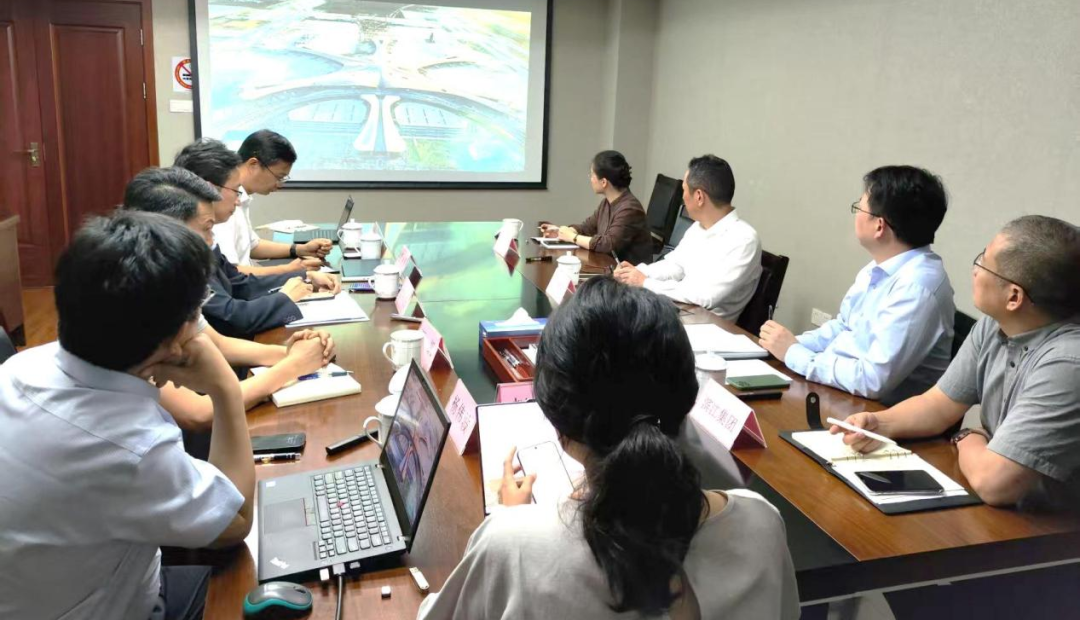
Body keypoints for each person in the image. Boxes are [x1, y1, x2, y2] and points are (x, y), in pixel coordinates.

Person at [417, 278, 798, 619]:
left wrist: (512, 523)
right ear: (685, 397)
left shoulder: (511, 546)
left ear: (556, 416)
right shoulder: (762, 523)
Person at [0, 211, 254, 619]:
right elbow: (235, 521)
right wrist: (225, 388)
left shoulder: (21, 366)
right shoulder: (132, 448)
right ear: (178, 335)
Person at [835, 216, 1080, 617]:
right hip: (998, 521)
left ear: (1014, 296)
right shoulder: (995, 326)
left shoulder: (1068, 362)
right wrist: (880, 424)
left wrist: (969, 437)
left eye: (984, 261)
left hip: (1049, 550)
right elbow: (938, 405)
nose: (974, 267)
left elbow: (995, 483)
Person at [124, 166, 337, 430]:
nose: (212, 242)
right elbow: (198, 413)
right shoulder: (129, 292)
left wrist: (295, 353)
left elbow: (219, 344)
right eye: (207, 229)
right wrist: (292, 366)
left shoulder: (166, 276)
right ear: (168, 230)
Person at [760, 166, 954, 404]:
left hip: (874, 412)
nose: (856, 214)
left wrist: (793, 353)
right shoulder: (881, 266)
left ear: (879, 226)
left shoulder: (916, 289)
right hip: (841, 394)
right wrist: (789, 344)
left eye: (859, 207)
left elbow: (872, 381)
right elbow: (843, 327)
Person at [173, 139, 339, 337]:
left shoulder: (204, 236)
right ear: (208, 190)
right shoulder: (182, 249)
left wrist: (305, 276)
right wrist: (285, 297)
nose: (238, 200)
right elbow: (229, 316)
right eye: (235, 191)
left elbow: (239, 282)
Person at [613, 155, 762, 321]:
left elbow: (705, 296)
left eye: (684, 190)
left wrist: (645, 282)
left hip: (705, 326)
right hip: (679, 312)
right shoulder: (698, 227)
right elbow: (675, 266)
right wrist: (637, 272)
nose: (682, 197)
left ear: (699, 196)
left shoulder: (744, 240)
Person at [213, 129, 332, 275]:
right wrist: (289, 270)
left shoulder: (242, 197)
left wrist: (300, 249)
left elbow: (253, 246)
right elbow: (229, 273)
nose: (279, 184)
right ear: (253, 164)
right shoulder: (225, 205)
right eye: (278, 177)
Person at [540, 150, 653, 265]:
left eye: (592, 175)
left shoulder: (630, 209)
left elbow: (607, 245)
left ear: (603, 182)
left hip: (629, 274)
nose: (590, 179)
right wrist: (562, 233)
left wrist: (572, 237)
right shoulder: (606, 203)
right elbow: (587, 228)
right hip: (609, 268)